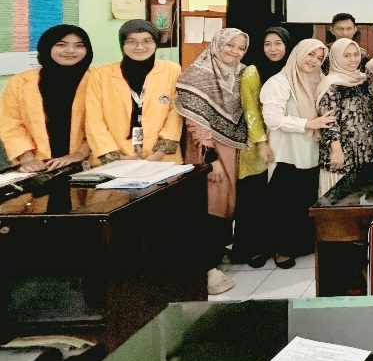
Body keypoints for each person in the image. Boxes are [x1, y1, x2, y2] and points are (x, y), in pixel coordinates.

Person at [175, 27, 250, 296]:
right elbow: (195, 122)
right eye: (230, 45)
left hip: (233, 148)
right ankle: (205, 268)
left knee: (227, 202)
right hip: (207, 150)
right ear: (217, 45)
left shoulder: (240, 74)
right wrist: (211, 160)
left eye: (241, 48)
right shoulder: (197, 75)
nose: (235, 52)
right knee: (209, 203)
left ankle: (216, 255)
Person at [260, 39, 333, 268]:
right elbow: (273, 119)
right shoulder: (279, 82)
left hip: (311, 151)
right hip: (287, 152)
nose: (314, 61)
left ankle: (301, 245)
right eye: (310, 54)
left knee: (304, 200)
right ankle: (280, 249)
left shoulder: (319, 80)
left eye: (319, 58)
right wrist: (308, 124)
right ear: (298, 54)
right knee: (283, 203)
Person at [85, 20, 182, 164]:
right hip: (115, 160)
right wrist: (115, 157)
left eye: (147, 41)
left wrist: (159, 153)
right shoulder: (100, 75)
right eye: (131, 41)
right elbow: (93, 120)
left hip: (161, 159)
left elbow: (175, 114)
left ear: (156, 43)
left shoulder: (172, 70)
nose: (139, 47)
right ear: (122, 44)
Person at [1, 25, 93, 172]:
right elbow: (11, 125)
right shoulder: (20, 82)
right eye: (61, 44)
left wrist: (79, 154)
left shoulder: (99, 80)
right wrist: (28, 159)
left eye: (79, 45)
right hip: (38, 166)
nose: (70, 50)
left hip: (88, 165)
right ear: (47, 47)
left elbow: (106, 122)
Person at [234, 27, 290, 269]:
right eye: (267, 44)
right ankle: (254, 247)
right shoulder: (252, 72)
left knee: (280, 197)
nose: (273, 49)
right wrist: (262, 142)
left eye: (278, 43)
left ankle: (280, 246)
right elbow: (250, 110)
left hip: (285, 140)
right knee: (255, 197)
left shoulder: (291, 70)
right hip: (257, 144)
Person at [317, 38, 373, 194]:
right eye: (346, 56)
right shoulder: (331, 85)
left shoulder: (362, 80)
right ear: (336, 57)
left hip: (363, 149)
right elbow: (329, 121)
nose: (353, 59)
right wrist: (336, 149)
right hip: (341, 150)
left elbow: (372, 107)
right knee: (338, 197)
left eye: (356, 54)